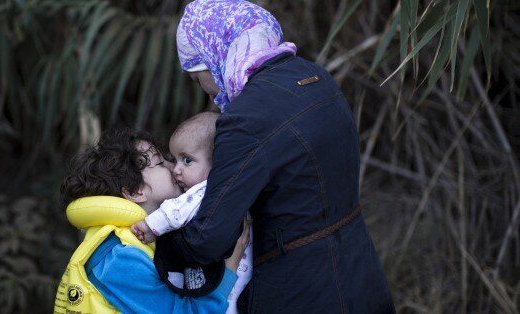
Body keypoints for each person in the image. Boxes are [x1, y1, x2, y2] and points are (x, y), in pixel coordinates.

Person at [158, 0, 395, 312]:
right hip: (361, 273)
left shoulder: (244, 119)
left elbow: (209, 238)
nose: (205, 89)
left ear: (215, 52)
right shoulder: (317, 78)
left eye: (196, 75)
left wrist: (156, 239)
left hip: (300, 290)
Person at [53, 128, 250, 313]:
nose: (174, 167)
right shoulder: (118, 259)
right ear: (135, 192)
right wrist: (229, 268)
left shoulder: (136, 243)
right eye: (160, 162)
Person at [131, 111, 252, 314]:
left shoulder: (206, 191)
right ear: (135, 191)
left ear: (217, 163)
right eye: (168, 161)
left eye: (186, 160)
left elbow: (176, 212)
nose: (174, 169)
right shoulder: (121, 254)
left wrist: (151, 226)